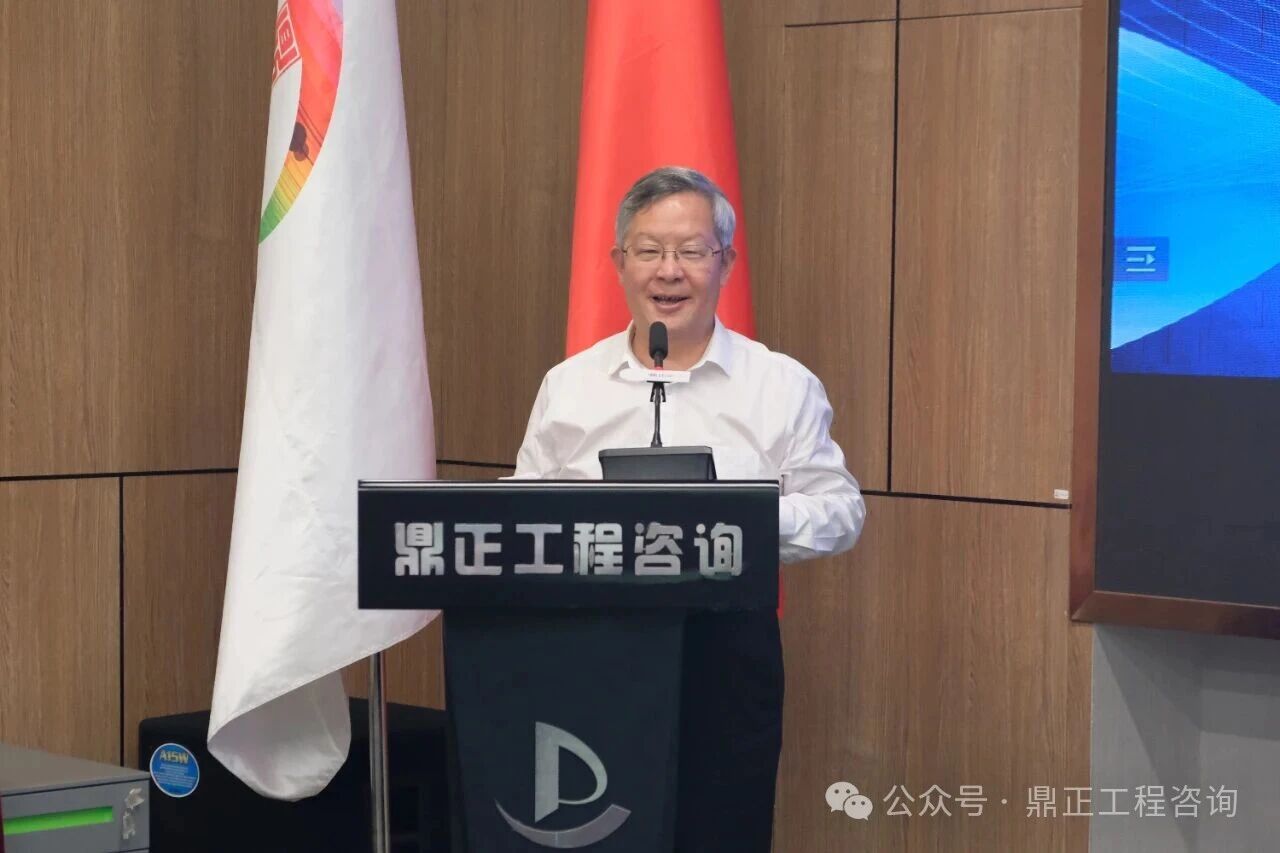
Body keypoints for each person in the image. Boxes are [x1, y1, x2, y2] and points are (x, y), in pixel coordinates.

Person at [514, 165, 865, 851]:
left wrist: (741, 522)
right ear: (619, 262)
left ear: (726, 262)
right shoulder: (570, 385)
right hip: (589, 648)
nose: (668, 271)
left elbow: (842, 509)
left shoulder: (779, 383)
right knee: (592, 832)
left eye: (691, 251)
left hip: (724, 652)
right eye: (649, 250)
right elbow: (525, 515)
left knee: (719, 831)